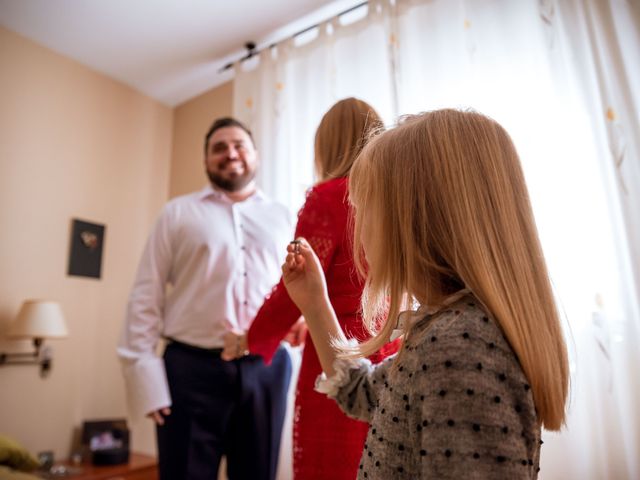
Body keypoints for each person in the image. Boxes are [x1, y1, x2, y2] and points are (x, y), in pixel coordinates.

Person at [281, 109, 570, 479]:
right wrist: (315, 302)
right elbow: (363, 393)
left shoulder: (460, 347)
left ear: (415, 219)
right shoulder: (443, 329)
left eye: (365, 205)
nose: (357, 223)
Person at [222, 98, 400, 479]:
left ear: (328, 145)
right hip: (390, 345)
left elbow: (297, 284)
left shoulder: (328, 196)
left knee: (335, 462)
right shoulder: (394, 199)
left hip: (337, 346)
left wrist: (248, 340)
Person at [117, 117, 293, 480]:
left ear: (256, 155)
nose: (231, 154)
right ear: (206, 160)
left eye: (239, 145)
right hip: (189, 372)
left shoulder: (285, 217)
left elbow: (295, 291)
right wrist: (146, 379)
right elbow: (145, 294)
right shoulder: (177, 213)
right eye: (219, 147)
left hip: (266, 367)